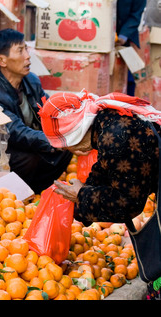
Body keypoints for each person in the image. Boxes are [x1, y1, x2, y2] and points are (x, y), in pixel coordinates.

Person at [39, 89, 161, 299]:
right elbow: (108, 168)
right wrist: (84, 192)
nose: (69, 151)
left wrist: (82, 196)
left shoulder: (115, 135)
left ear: (74, 133)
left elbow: (127, 204)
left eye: (65, 145)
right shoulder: (105, 121)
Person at [0, 28, 73, 194]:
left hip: (29, 145)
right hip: (1, 156)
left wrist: (72, 129)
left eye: (26, 49)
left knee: (66, 150)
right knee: (31, 158)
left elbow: (50, 110)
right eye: (20, 51)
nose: (27, 56)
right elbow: (16, 132)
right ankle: (14, 195)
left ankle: (36, 193)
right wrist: (57, 142)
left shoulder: (31, 81)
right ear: (2, 61)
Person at [116, 0, 147, 96]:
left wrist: (123, 35)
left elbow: (136, 14)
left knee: (128, 78)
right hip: (99, 36)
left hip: (125, 37)